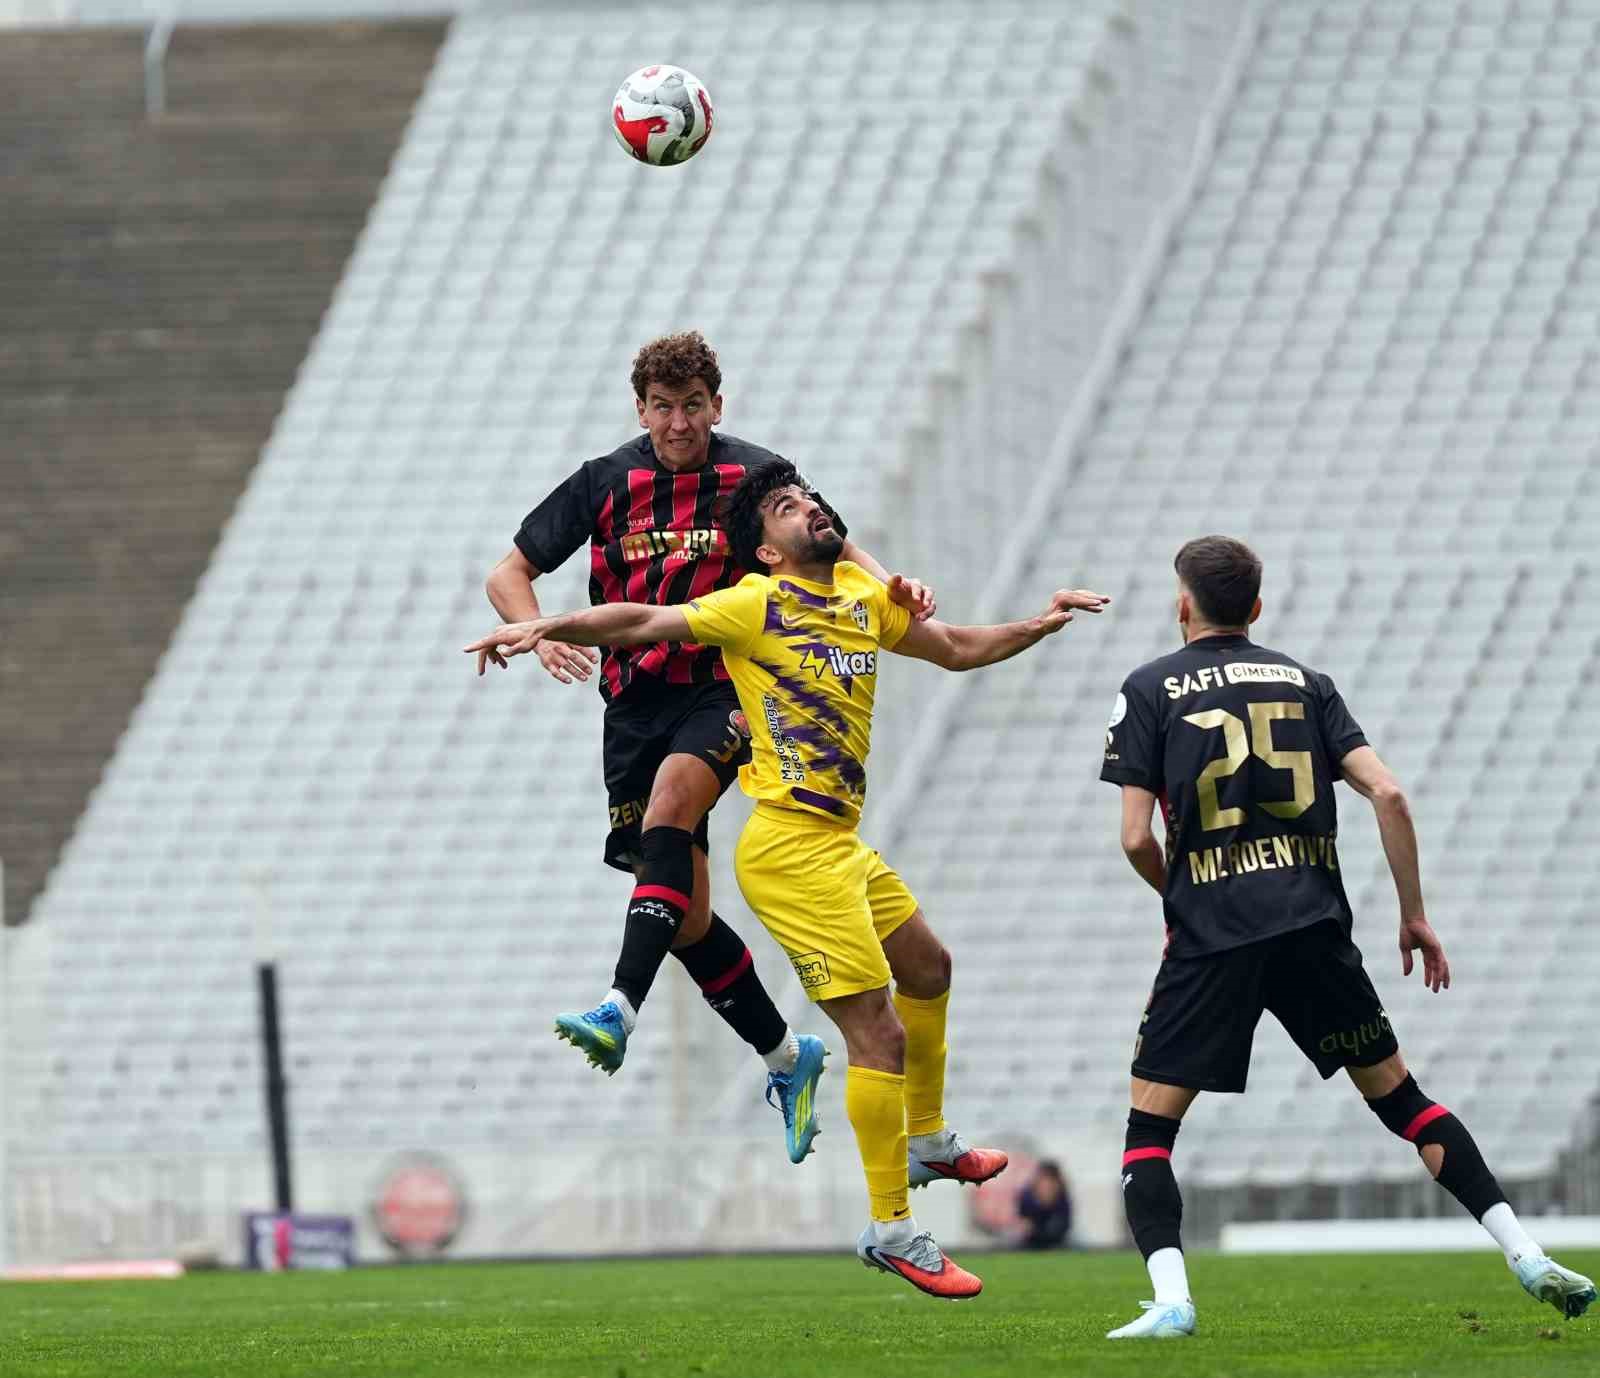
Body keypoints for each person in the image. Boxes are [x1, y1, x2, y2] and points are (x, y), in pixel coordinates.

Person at [466, 459, 1110, 1298]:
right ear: (764, 552)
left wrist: (1039, 623)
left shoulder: (859, 601)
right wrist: (547, 624)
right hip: (788, 851)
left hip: (838, 841)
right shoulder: (753, 606)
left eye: (807, 497)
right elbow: (641, 619)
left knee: (930, 968)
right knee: (877, 1035)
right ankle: (893, 1229)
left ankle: (927, 1142)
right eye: (784, 506)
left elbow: (954, 647)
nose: (806, 506)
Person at [1098, 534, 1596, 1340]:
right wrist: (1414, 914)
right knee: (1402, 1100)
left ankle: (1172, 1302)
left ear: (1181, 603)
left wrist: (1183, 897)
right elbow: (1389, 794)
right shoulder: (1306, 682)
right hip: (1311, 928)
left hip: (1212, 937)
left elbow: (1133, 840)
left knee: (1151, 1129)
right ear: (1256, 609)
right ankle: (1526, 1252)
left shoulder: (1149, 687)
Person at [476, 332, 932, 1165]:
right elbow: (508, 572)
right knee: (682, 916)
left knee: (674, 801)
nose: (679, 423)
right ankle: (786, 1059)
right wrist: (535, 636)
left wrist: (893, 583)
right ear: (641, 409)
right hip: (632, 701)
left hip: (726, 685)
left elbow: (838, 545)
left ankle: (618, 1005)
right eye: (663, 407)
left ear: (718, 405)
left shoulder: (756, 473)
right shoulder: (605, 482)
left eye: (693, 406)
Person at [1016, 1159, 1074, 1250]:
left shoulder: (1062, 1199)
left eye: (1051, 1181)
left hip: (1057, 1242)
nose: (1046, 1186)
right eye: (1044, 1180)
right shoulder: (1027, 1197)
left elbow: (1063, 1226)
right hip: (1030, 1244)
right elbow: (1024, 1225)